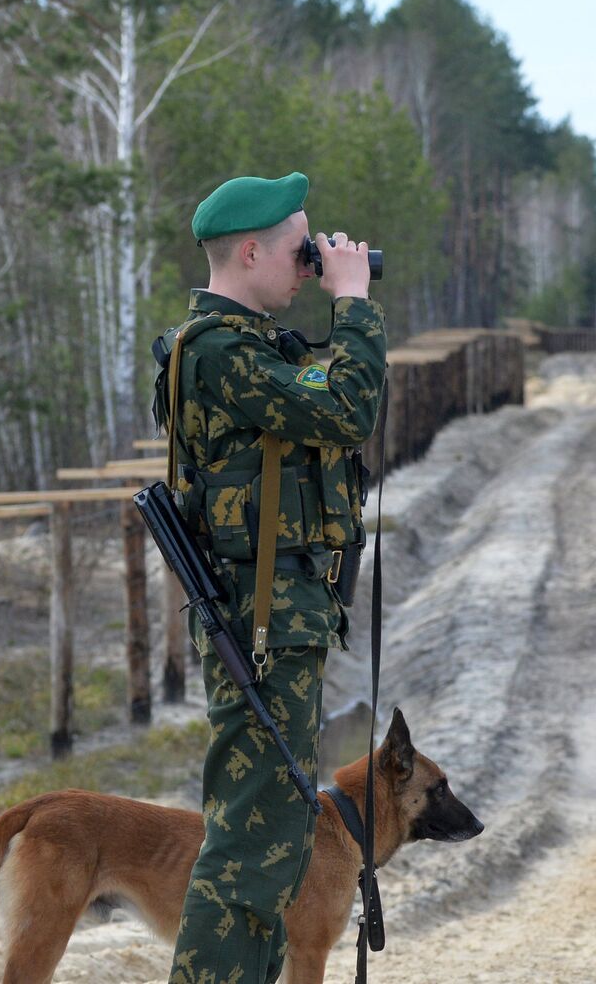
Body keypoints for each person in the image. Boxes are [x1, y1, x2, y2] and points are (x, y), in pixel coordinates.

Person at [153, 171, 386, 984]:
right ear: (249, 250)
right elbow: (348, 409)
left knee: (275, 840)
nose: (311, 263)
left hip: (277, 618)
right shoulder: (221, 351)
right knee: (253, 845)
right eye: (300, 249)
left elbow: (325, 404)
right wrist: (353, 304)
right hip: (261, 625)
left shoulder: (250, 350)